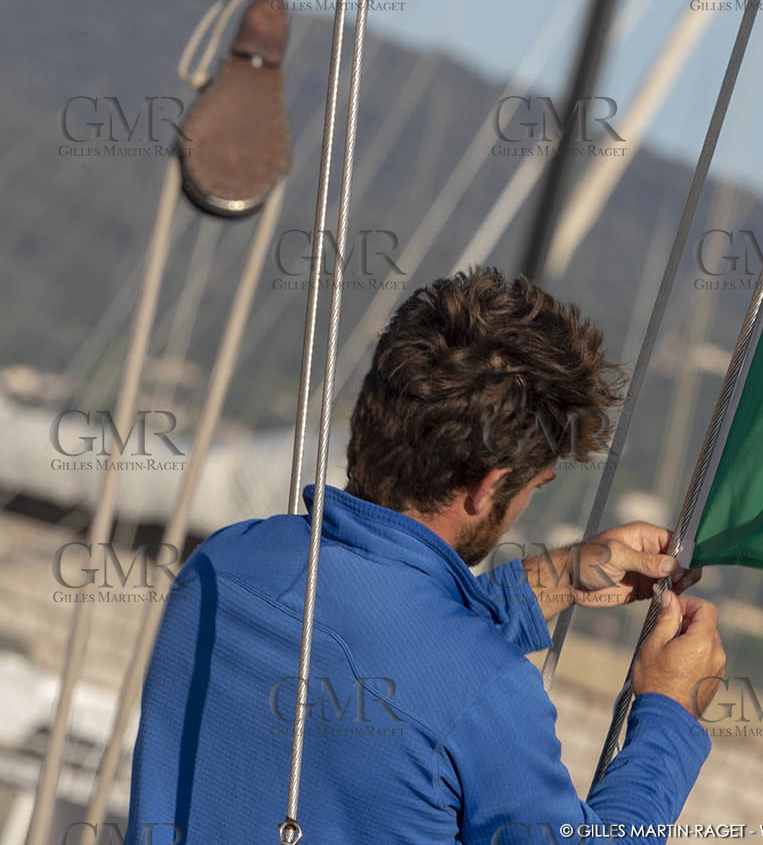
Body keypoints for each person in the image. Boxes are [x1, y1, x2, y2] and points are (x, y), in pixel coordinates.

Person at [128, 266, 725, 844]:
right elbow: (434, 675)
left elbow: (390, 645)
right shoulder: (489, 696)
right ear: (490, 485)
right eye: (534, 486)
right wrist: (669, 710)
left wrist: (561, 577)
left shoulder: (223, 564)